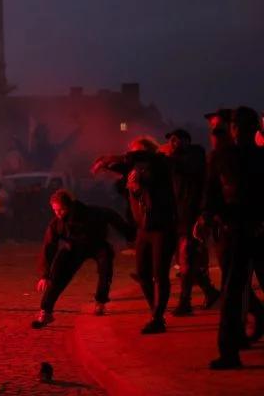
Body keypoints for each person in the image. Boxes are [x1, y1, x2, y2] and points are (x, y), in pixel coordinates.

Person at [93, 137, 178, 334]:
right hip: (144, 229)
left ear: (146, 152)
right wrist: (105, 165)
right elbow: (121, 168)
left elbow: (148, 182)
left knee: (160, 274)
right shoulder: (134, 168)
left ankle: (157, 318)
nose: (130, 153)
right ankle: (155, 313)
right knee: (142, 273)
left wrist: (139, 188)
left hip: (161, 228)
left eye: (135, 151)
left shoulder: (158, 164)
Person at [201, 106, 264, 369]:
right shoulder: (221, 157)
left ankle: (229, 352)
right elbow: (212, 196)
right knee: (232, 291)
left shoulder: (225, 157)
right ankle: (229, 351)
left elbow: (211, 198)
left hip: (247, 230)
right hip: (241, 230)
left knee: (232, 292)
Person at [31, 190, 133, 328]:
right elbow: (49, 247)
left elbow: (112, 216)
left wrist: (131, 236)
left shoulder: (91, 213)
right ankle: (46, 311)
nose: (58, 213)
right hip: (73, 248)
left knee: (105, 267)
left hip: (97, 244)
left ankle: (101, 301)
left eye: (60, 210)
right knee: (57, 276)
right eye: (55, 210)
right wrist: (45, 274)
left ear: (69, 206)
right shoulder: (57, 224)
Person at [162, 129, 219, 315]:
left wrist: (203, 215)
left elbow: (189, 169)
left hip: (192, 217)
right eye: (170, 141)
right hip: (179, 218)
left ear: (186, 140)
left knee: (187, 260)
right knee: (186, 261)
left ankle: (185, 303)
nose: (171, 144)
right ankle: (210, 293)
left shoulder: (196, 154)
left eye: (175, 140)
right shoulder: (174, 163)